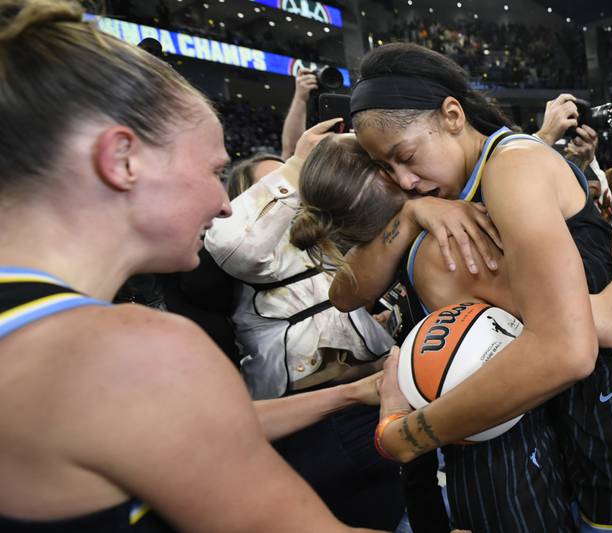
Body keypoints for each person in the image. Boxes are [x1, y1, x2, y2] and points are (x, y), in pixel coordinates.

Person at [0, 1, 388, 531]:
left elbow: (195, 426)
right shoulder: (136, 352)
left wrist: (351, 391)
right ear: (122, 160)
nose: (224, 202)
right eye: (215, 170)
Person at [302, 43, 612, 532]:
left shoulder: (506, 171)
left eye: (407, 158)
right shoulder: (441, 206)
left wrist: (408, 435)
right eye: (388, 172)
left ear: (452, 115)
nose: (406, 182)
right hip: (568, 412)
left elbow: (578, 339)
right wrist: (414, 214)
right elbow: (345, 293)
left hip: (611, 401)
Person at [205, 134, 404, 530]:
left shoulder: (321, 244)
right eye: (276, 189)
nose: (295, 194)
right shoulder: (253, 257)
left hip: (369, 401)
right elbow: (231, 241)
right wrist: (293, 166)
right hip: (311, 425)